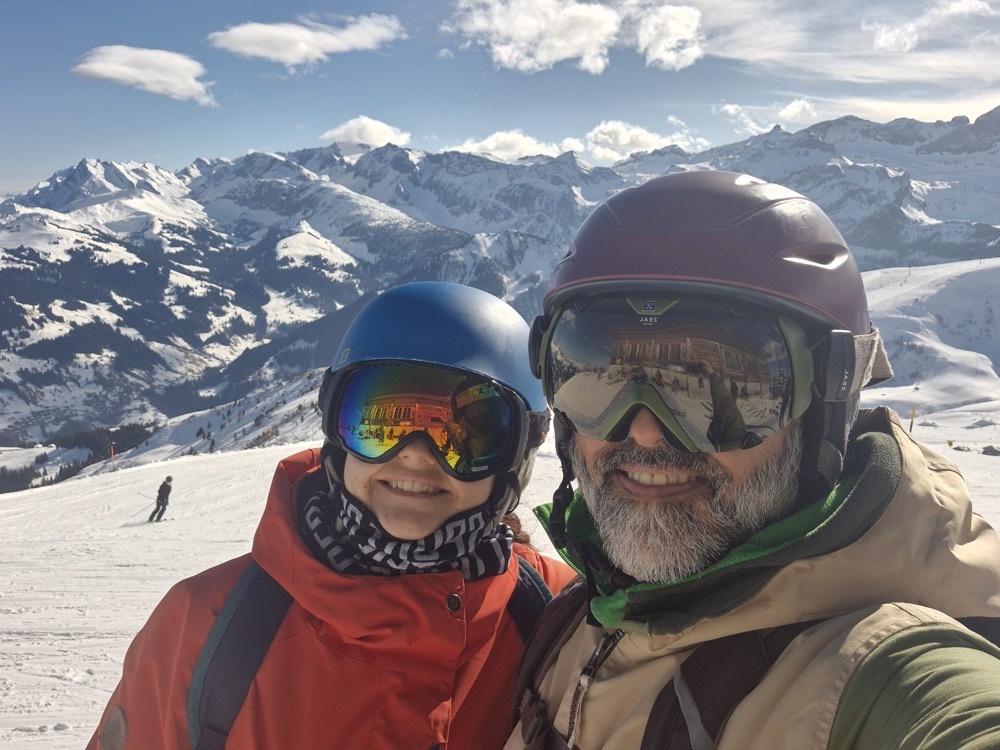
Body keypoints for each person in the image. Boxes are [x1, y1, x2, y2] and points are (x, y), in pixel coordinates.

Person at [507, 170, 1000, 749]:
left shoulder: (879, 672)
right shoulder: (580, 610)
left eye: (709, 387)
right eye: (595, 379)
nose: (641, 431)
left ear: (825, 407)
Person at [90, 281, 575, 750]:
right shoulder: (208, 624)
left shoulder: (564, 617)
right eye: (382, 423)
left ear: (519, 456)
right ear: (334, 435)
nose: (416, 456)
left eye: (466, 436)